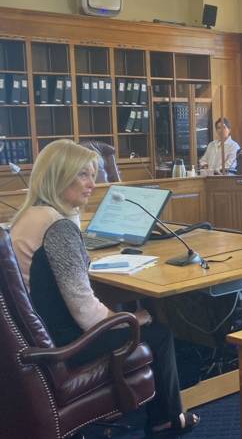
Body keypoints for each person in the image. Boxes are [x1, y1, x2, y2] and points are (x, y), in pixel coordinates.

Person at [10, 140, 199, 436]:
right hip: (65, 344)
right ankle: (167, 419)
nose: (93, 184)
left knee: (129, 314)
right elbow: (84, 309)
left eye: (93, 174)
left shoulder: (26, 217)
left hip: (32, 340)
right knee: (158, 333)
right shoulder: (57, 227)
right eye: (82, 175)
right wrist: (130, 320)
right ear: (59, 177)